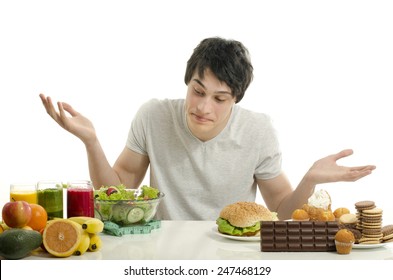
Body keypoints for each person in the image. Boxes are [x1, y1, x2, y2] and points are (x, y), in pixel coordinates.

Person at [39, 37, 375, 221]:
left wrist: (310, 179)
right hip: (162, 255)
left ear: (236, 99)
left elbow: (282, 212)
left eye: (219, 98)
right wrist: (92, 142)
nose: (203, 107)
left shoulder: (258, 131)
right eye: (198, 91)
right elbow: (117, 193)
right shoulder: (153, 116)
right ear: (187, 82)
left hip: (235, 257)